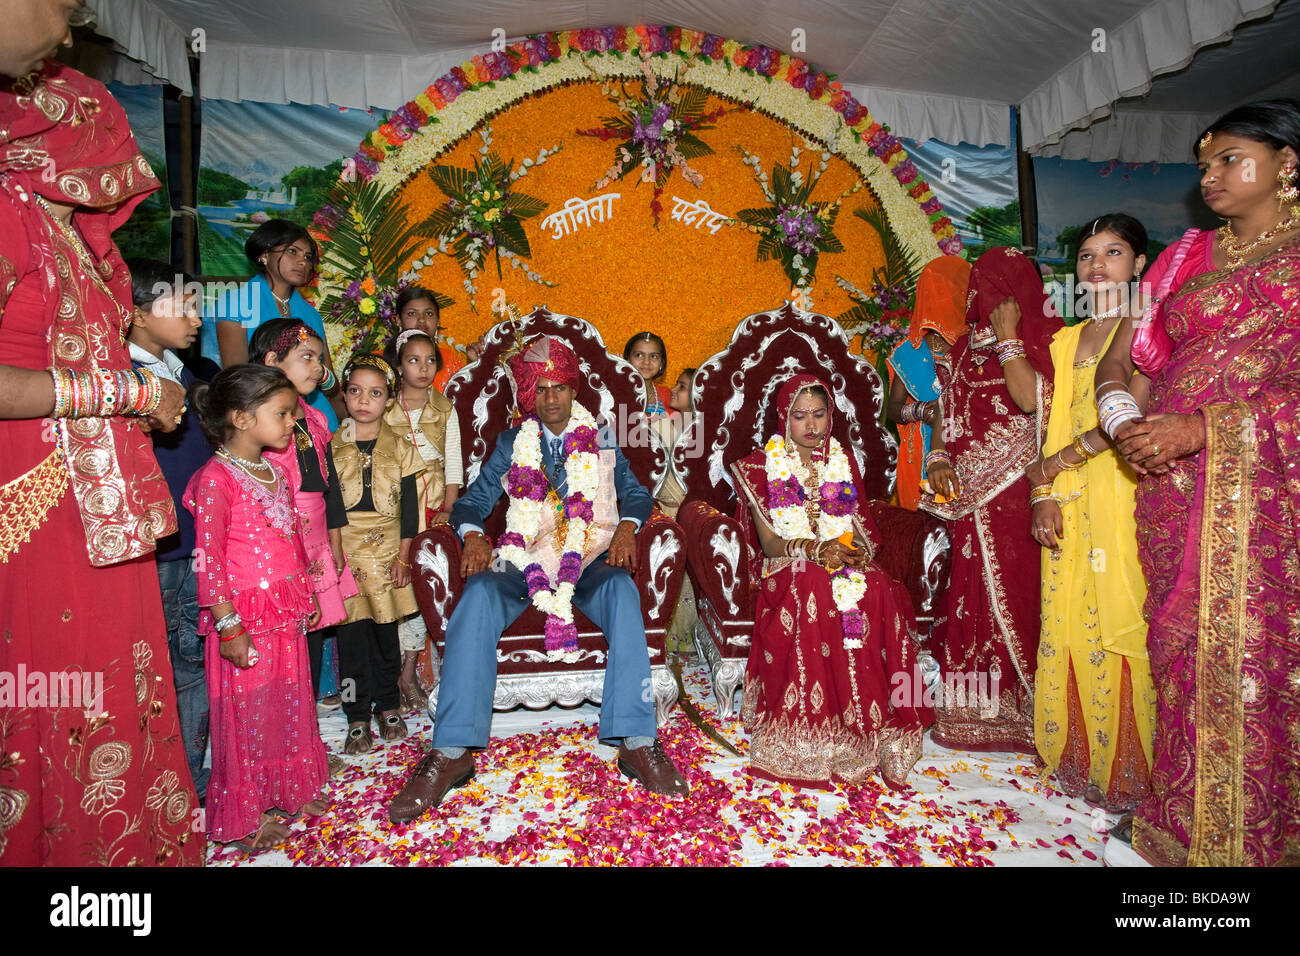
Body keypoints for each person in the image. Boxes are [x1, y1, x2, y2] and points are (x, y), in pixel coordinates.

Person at [0, 45, 200, 865]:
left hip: (99, 504)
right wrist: (127, 395)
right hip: (32, 500)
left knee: (118, 690)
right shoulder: (10, 209)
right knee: (49, 693)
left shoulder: (65, 235)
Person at [1105, 100, 1300, 866]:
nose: (1210, 176)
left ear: (1288, 162)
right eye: (1203, 165)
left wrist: (1207, 429)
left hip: (1264, 492)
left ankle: (1251, 834)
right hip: (1168, 483)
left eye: (1228, 159)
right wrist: (1124, 423)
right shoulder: (1184, 257)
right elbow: (1124, 358)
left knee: (1253, 661)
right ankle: (1181, 813)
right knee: (1179, 649)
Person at [387, 335, 688, 822]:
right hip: (521, 554)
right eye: (540, 390)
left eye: (559, 388)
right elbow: (471, 504)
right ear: (528, 397)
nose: (551, 399)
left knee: (620, 589)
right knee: (481, 591)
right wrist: (474, 537)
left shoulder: (603, 436)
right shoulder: (512, 443)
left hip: (587, 554)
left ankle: (636, 741)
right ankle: (450, 752)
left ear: (574, 390)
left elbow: (635, 493)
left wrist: (629, 528)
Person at [731, 375, 933, 789]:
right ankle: (811, 732)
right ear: (783, 418)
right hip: (788, 562)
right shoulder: (758, 465)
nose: (811, 425)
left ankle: (867, 722)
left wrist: (848, 550)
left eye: (819, 414)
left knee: (875, 584)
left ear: (830, 415)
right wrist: (813, 550)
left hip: (835, 554)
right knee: (814, 586)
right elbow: (769, 543)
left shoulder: (841, 459)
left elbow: (858, 530)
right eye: (800, 416)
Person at [1028, 215, 1156, 814]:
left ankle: (1132, 766)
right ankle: (1081, 754)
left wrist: (1060, 463)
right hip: (1066, 495)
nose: (1096, 264)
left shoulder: (1147, 325)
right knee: (1070, 615)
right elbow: (1046, 422)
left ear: (1139, 265)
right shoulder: (1064, 339)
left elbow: (1131, 417)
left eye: (1113, 252)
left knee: (1118, 613)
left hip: (1121, 487)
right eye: (1085, 255)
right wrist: (1044, 490)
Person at [920, 248, 1061, 753]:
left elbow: (1036, 404)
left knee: (1019, 596)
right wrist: (936, 456)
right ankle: (971, 711)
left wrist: (1008, 341)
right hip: (968, 497)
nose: (984, 292)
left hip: (1018, 493)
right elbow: (942, 409)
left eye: (999, 282)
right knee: (967, 595)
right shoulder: (958, 350)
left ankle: (1027, 712)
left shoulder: (1044, 340)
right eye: (978, 281)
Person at [186, 364, 331, 852]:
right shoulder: (215, 479)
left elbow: (292, 536)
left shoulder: (273, 469)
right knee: (245, 714)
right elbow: (207, 561)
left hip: (284, 606)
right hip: (243, 616)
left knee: (287, 701)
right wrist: (229, 628)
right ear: (242, 419)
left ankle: (288, 790)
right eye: (283, 414)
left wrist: (307, 594)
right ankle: (244, 817)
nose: (293, 422)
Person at [251, 319, 357, 768]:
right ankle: (283, 748)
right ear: (272, 362)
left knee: (313, 641)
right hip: (281, 549)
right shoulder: (259, 423)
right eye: (306, 358)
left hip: (317, 548)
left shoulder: (314, 418)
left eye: (318, 356)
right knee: (284, 649)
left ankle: (307, 743)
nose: (318, 366)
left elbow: (327, 488)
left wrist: (335, 541)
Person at [126, 259, 212, 801]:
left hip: (196, 543)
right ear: (135, 313)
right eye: (181, 305)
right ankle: (188, 793)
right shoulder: (122, 382)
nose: (196, 318)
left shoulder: (185, 375)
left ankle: (196, 778)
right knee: (176, 668)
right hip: (160, 549)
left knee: (196, 659)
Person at [331, 355, 423, 753]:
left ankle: (388, 704)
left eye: (374, 393)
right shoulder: (331, 445)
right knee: (351, 636)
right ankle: (355, 714)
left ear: (388, 400)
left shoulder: (401, 445)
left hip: (387, 548)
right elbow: (329, 504)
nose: (363, 401)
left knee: (387, 632)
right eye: (354, 391)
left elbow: (410, 508)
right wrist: (332, 551)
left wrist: (405, 555)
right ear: (345, 395)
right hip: (346, 547)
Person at [383, 328, 463, 711]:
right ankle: (390, 674)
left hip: (430, 507)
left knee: (420, 591)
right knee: (391, 590)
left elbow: (453, 464)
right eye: (413, 360)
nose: (423, 368)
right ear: (398, 366)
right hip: (388, 510)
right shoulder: (382, 406)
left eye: (430, 360)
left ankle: (411, 670)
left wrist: (448, 507)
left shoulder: (444, 408)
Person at [201, 219, 343, 427]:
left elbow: (330, 384)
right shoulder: (235, 303)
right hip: (262, 418)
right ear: (264, 254)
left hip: (318, 419)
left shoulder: (311, 314)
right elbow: (237, 379)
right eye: (293, 252)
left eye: (308, 256)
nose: (303, 262)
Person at [886, 256, 972, 510]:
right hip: (918, 454)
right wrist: (925, 411)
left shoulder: (975, 346)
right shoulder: (909, 351)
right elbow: (893, 410)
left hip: (966, 447)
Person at [656, 367, 698, 656]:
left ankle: (686, 637)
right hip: (663, 508)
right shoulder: (665, 424)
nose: (675, 389)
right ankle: (666, 637)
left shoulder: (701, 429)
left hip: (688, 510)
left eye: (683, 387)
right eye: (677, 384)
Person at [395, 286, 464, 393]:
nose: (422, 319)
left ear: (438, 321)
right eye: (412, 313)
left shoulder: (450, 361)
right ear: (398, 320)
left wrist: (479, 363)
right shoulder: (380, 363)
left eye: (429, 313)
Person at [624, 331, 672, 417]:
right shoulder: (617, 392)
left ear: (661, 363)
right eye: (639, 355)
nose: (646, 362)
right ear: (627, 360)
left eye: (654, 356)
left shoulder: (667, 395)